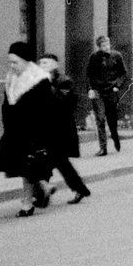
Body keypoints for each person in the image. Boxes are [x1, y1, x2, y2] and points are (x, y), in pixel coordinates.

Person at [0, 41, 55, 217]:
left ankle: (28, 202)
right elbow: (7, 105)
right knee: (24, 167)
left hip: (35, 131)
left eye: (15, 62)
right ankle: (40, 189)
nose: (12, 66)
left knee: (27, 166)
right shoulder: (11, 79)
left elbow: (46, 110)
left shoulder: (38, 80)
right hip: (15, 131)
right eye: (10, 62)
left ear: (27, 61)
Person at [38, 53, 92, 205]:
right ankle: (78, 189)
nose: (42, 65)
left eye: (46, 63)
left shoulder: (64, 81)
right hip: (47, 130)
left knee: (51, 162)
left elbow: (62, 106)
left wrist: (47, 86)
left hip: (61, 130)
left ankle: (42, 194)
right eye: (41, 63)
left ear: (55, 65)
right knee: (58, 162)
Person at [86, 34, 128, 156]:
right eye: (103, 45)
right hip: (98, 92)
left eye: (108, 44)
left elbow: (123, 73)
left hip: (111, 91)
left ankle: (115, 137)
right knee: (100, 118)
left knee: (111, 119)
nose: (106, 47)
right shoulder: (93, 57)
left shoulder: (117, 56)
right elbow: (89, 74)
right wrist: (90, 89)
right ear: (99, 47)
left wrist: (117, 86)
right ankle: (103, 148)